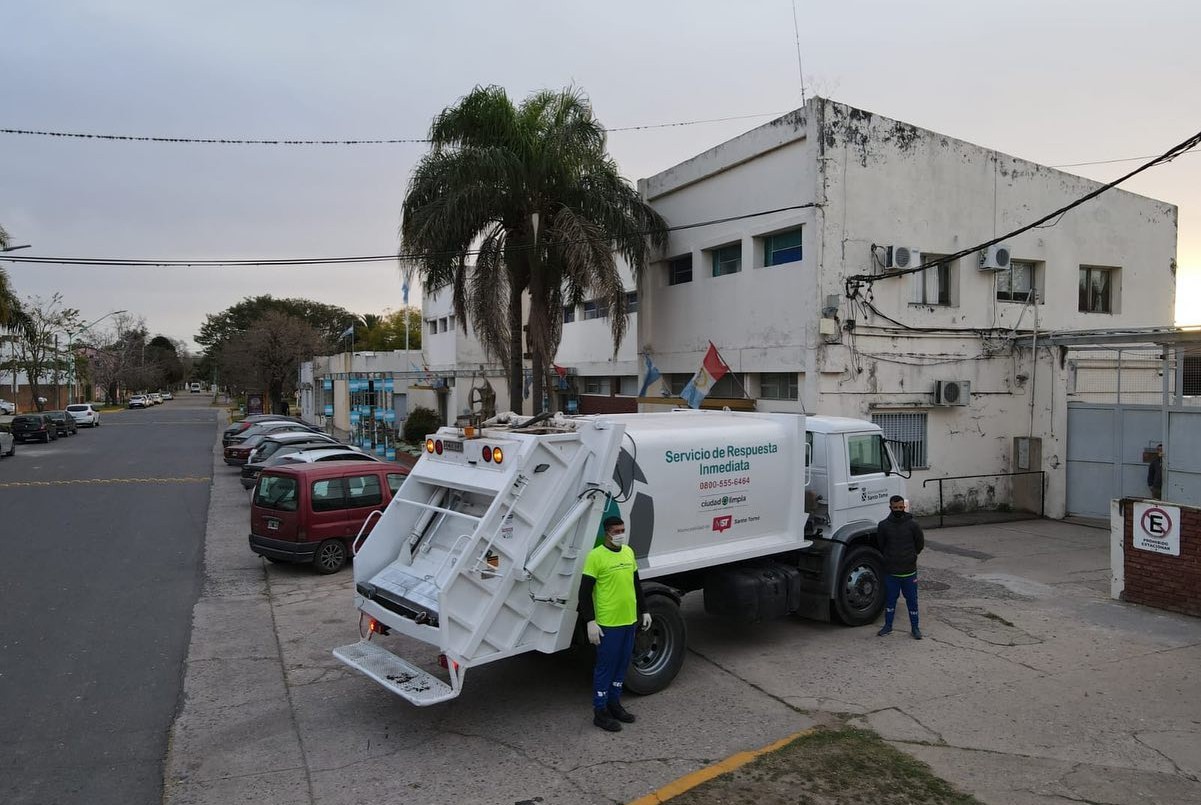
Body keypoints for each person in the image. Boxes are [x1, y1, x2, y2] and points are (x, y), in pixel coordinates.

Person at [578, 515, 651, 732]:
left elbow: (636, 584)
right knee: (605, 667)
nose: (620, 534)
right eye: (616, 531)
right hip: (608, 624)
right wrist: (590, 621)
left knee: (622, 665)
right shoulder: (596, 557)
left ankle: (615, 704)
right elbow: (584, 592)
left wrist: (644, 610)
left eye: (622, 530)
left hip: (629, 620)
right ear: (606, 533)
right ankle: (599, 712)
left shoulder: (628, 552)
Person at [876, 495, 925, 640]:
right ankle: (888, 626)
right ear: (890, 507)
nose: (898, 510)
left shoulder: (913, 525)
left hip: (909, 572)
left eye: (900, 507)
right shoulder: (883, 525)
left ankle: (915, 628)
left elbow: (919, 544)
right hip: (891, 572)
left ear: (904, 507)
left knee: (912, 602)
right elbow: (881, 545)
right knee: (890, 601)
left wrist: (911, 556)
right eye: (895, 507)